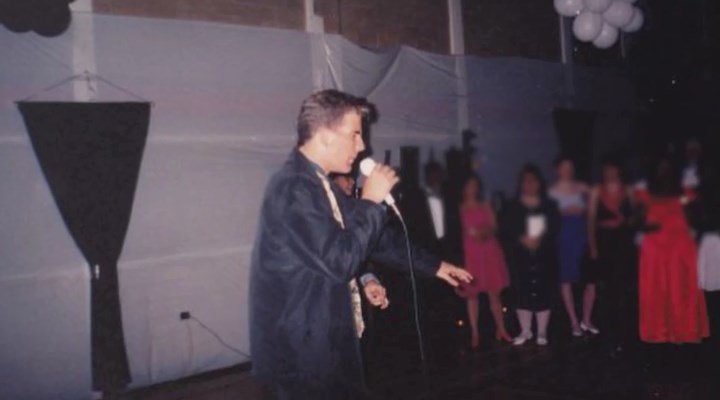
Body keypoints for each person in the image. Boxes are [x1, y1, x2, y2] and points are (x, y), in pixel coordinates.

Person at [249, 89, 472, 400]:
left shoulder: (318, 184)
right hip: (302, 353)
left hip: (321, 342)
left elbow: (376, 240)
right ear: (325, 135)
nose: (362, 145)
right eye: (355, 134)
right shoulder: (294, 188)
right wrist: (371, 202)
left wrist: (434, 265)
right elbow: (341, 261)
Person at [635, 156, 709, 344]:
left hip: (680, 244)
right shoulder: (645, 193)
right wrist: (645, 227)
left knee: (681, 287)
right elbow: (636, 219)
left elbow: (698, 215)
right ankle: (660, 331)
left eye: (668, 168)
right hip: (655, 245)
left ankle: (684, 330)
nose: (664, 172)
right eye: (660, 168)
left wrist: (693, 223)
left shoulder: (685, 192)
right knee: (656, 288)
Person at [500, 164, 560, 346]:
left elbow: (555, 227)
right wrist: (521, 239)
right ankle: (525, 330)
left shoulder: (549, 206)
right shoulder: (511, 206)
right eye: (525, 181)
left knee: (544, 291)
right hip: (520, 256)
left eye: (533, 181)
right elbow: (504, 230)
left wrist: (541, 238)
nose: (530, 184)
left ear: (539, 183)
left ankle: (542, 331)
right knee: (522, 292)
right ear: (520, 184)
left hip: (544, 255)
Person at [455, 174, 511, 348]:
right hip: (470, 254)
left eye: (475, 185)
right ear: (463, 188)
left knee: (494, 293)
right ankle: (475, 333)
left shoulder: (485, 205)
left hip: (489, 251)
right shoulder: (459, 208)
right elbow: (456, 233)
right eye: (469, 185)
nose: (472, 189)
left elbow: (495, 227)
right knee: (472, 295)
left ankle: (501, 329)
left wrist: (482, 233)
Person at [587, 158, 637, 352]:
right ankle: (607, 335)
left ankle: (623, 335)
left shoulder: (628, 190)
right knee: (606, 290)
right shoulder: (596, 191)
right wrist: (593, 247)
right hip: (604, 242)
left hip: (623, 243)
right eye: (607, 170)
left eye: (613, 170)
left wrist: (628, 220)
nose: (610, 173)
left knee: (623, 289)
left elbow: (637, 216)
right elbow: (590, 221)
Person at [549, 156, 592, 338]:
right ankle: (574, 321)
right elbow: (546, 216)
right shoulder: (551, 191)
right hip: (564, 236)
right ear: (557, 169)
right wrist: (562, 212)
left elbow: (595, 207)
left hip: (582, 234)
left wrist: (585, 209)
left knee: (589, 279)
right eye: (564, 167)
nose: (567, 170)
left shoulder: (582, 187)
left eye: (570, 166)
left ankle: (587, 320)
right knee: (566, 279)